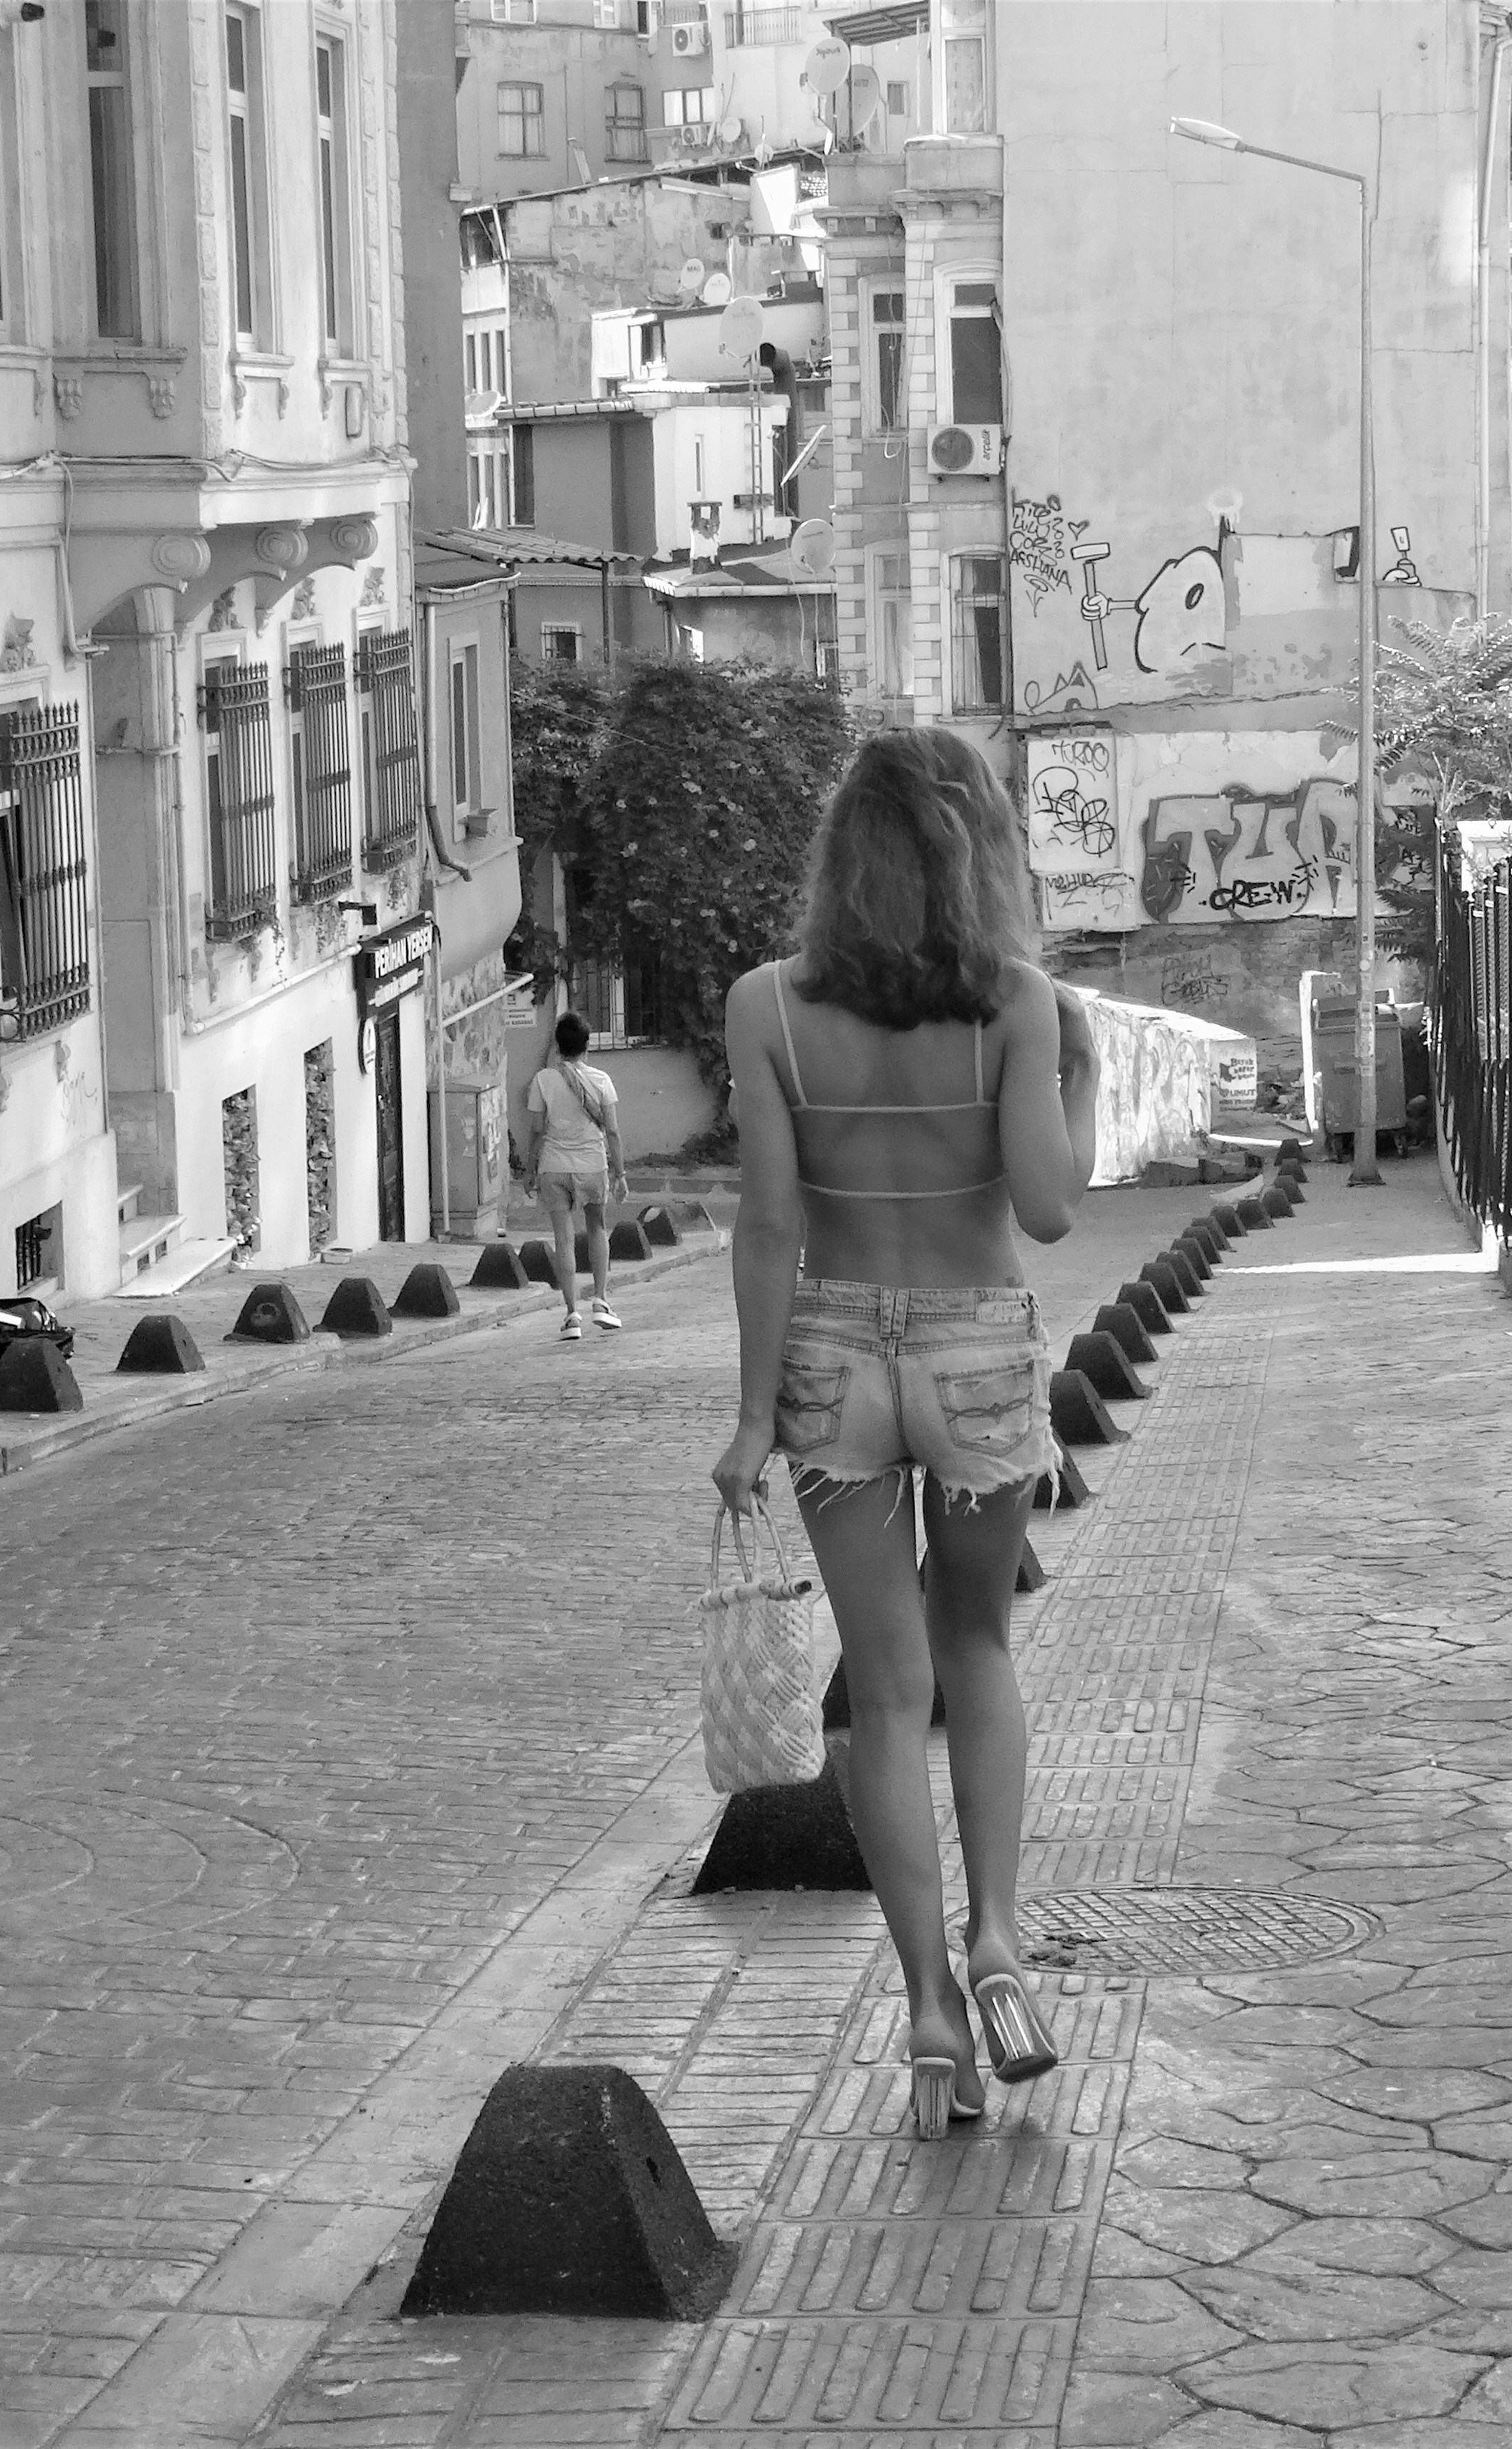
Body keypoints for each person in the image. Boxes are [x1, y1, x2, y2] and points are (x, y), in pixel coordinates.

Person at [710, 728, 1102, 2140]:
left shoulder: (766, 1003)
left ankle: (928, 2005)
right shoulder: (1014, 999)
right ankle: (998, 1933)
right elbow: (1051, 1208)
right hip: (973, 1348)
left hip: (829, 1356)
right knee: (977, 1650)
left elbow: (763, 1220)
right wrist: (1078, 1076)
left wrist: (753, 1414)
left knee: (880, 1697)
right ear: (976, 852)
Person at [520, 1013, 628, 1340]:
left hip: (553, 1166)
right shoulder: (601, 1080)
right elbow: (611, 1130)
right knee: (597, 1228)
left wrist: (529, 1169)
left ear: (558, 1044)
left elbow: (537, 1131)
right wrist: (620, 1173)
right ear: (587, 1045)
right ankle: (601, 1300)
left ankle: (571, 1315)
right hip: (592, 1164)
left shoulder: (543, 1081)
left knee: (563, 1240)